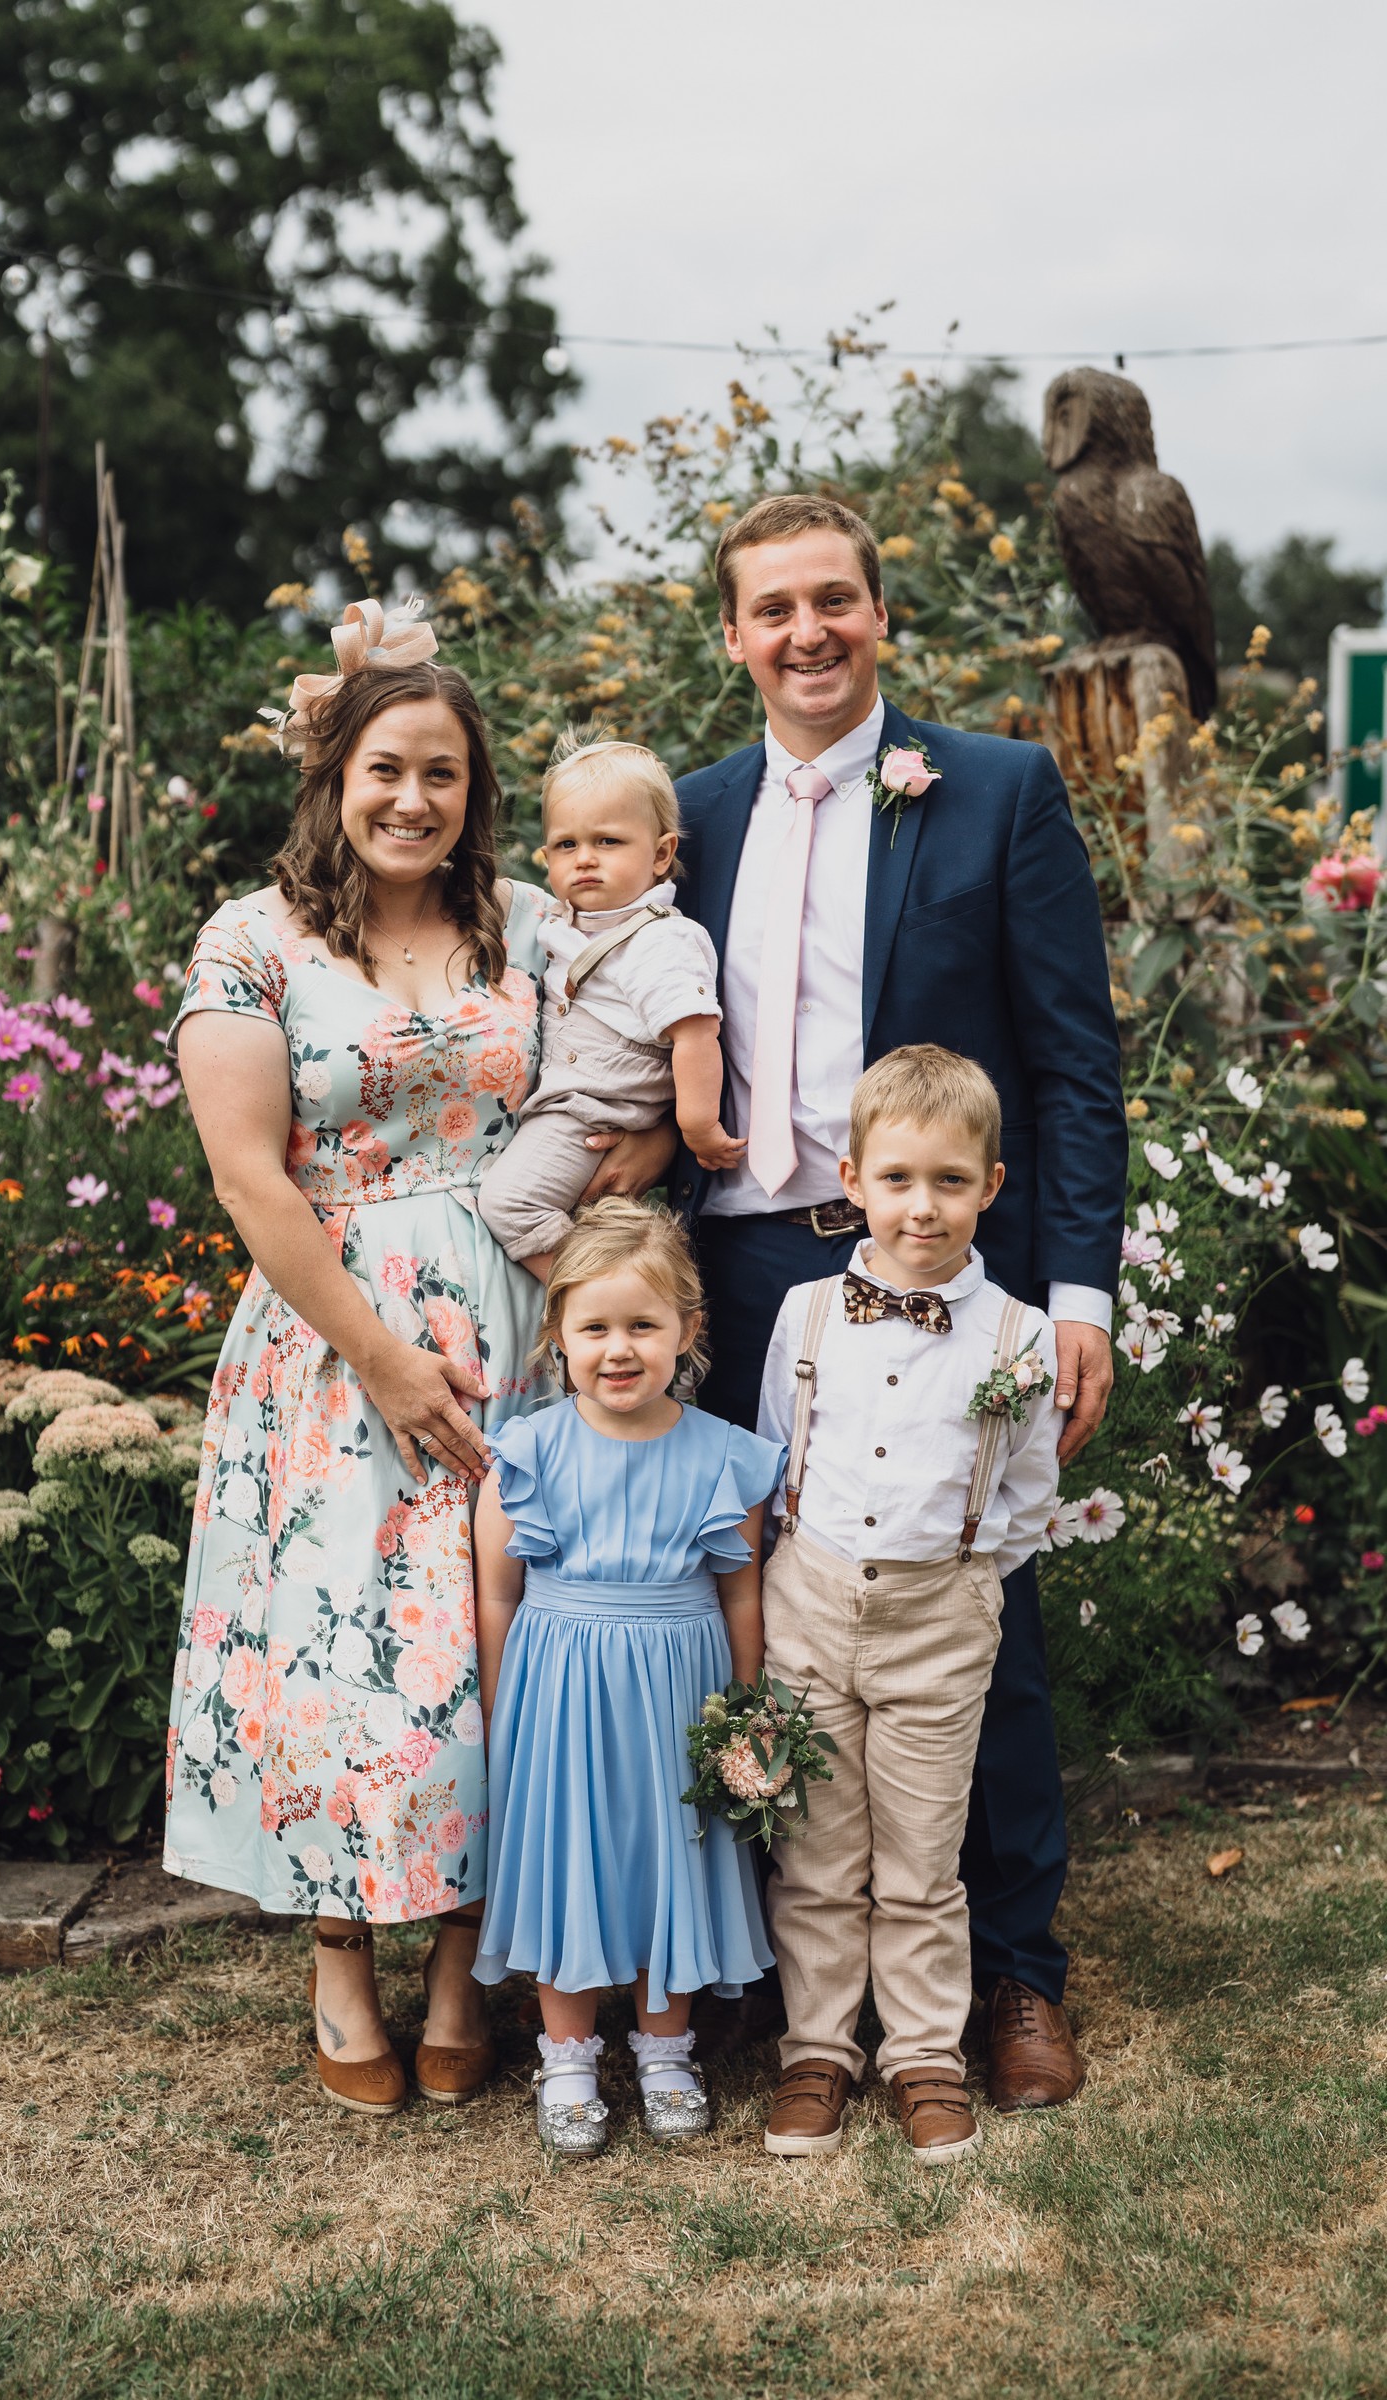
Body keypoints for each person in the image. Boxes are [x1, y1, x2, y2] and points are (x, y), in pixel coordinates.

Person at [162, 602, 669, 2121]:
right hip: (338, 1339)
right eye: (386, 767)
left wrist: (595, 1215)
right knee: (344, 1657)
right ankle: (337, 1964)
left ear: (475, 787)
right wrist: (382, 1358)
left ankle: (462, 1968)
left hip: (524, 1326)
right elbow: (252, 1179)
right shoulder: (255, 940)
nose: (412, 800)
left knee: (489, 1648)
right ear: (335, 774)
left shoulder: (533, 927)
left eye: (442, 773)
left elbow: (623, 1095)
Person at [672, 493, 1128, 2109]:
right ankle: (769, 1982)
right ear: (730, 634)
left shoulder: (994, 789)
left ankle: (1011, 1975)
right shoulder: (691, 814)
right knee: (745, 1625)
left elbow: (1073, 1059)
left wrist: (1076, 1288)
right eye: (771, 608)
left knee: (969, 1617)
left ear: (880, 613)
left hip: (943, 1255)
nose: (806, 633)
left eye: (833, 602)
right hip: (734, 1272)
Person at [756, 1046, 1061, 2165]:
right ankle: (817, 2050)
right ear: (850, 1179)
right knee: (817, 1852)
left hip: (941, 1617)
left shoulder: (1016, 1336)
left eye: (946, 1181)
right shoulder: (804, 1315)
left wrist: (967, 1573)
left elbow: (1029, 1491)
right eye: (895, 1180)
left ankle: (925, 2054)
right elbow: (775, 1451)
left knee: (925, 1859)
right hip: (811, 1602)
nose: (919, 1207)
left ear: (989, 1185)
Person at [471, 1200, 781, 2155]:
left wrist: (745, 1708)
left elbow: (740, 1596)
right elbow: (496, 1597)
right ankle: (566, 2056)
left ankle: (664, 2050)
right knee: (570, 1860)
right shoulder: (525, 1455)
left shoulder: (724, 1458)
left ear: (687, 1332)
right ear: (556, 1334)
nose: (618, 1349)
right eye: (594, 1327)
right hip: (560, 1699)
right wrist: (499, 1709)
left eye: (643, 1326)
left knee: (670, 1859)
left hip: (680, 1695)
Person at [477, 730, 740, 1276]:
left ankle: (603, 1295)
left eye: (609, 842)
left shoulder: (659, 939)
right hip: (570, 1105)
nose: (585, 860)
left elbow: (695, 1034)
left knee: (511, 1207)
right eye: (567, 846)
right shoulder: (568, 923)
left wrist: (695, 1128)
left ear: (662, 853)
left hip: (592, 1112)